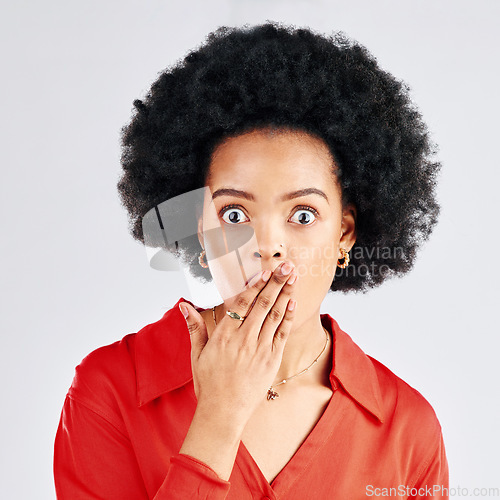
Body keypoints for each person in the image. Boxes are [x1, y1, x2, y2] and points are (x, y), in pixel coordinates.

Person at [54, 22, 449, 499]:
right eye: (235, 212)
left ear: (344, 232)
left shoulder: (408, 428)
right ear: (201, 228)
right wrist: (219, 417)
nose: (267, 246)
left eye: (302, 214)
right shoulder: (110, 390)